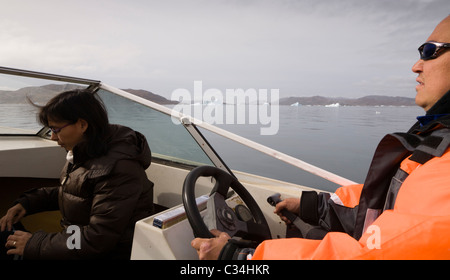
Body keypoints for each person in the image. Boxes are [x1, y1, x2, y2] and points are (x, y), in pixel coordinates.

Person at [191, 15, 450, 259]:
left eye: (429, 51)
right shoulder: (436, 144)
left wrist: (238, 256)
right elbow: (377, 207)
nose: (416, 66)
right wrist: (312, 206)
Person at [0, 89, 155, 259]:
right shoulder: (87, 151)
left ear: (82, 125)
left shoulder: (118, 168)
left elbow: (97, 239)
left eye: (56, 129)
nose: (52, 137)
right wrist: (28, 203)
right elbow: (75, 193)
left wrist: (34, 244)